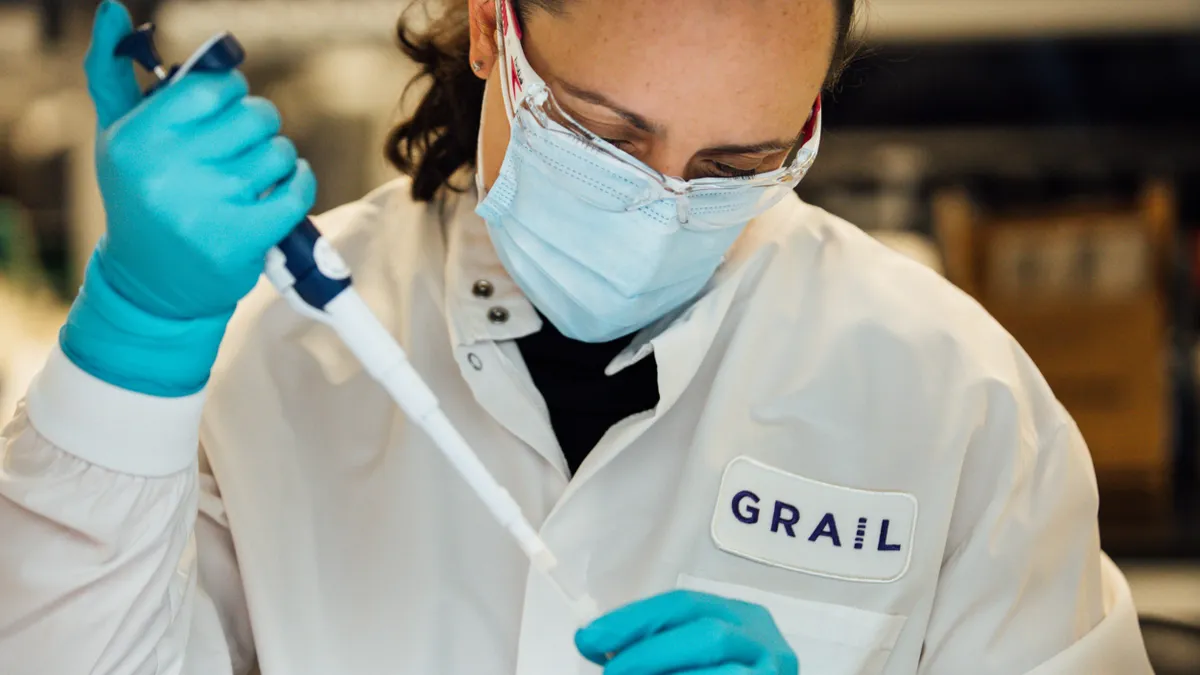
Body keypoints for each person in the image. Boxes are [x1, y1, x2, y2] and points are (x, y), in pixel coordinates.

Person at [0, 0, 1155, 673]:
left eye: (736, 163)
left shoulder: (956, 398)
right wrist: (140, 338)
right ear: (493, 34)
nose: (662, 203)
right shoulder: (274, 356)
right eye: (605, 133)